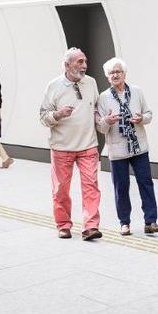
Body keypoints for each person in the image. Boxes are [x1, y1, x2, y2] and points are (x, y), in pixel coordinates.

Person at [39, 48, 102, 240]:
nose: (84, 66)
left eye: (85, 62)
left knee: (91, 186)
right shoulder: (53, 86)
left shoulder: (91, 83)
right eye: (80, 62)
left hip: (88, 146)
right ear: (67, 65)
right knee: (60, 190)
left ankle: (91, 227)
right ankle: (63, 225)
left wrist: (105, 120)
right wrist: (57, 115)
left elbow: (96, 110)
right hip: (61, 148)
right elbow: (43, 116)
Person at [95, 58, 158, 236]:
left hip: (138, 146)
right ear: (108, 77)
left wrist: (142, 119)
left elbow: (149, 114)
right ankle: (124, 223)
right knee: (121, 187)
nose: (115, 75)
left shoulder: (137, 92)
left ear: (125, 74)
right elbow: (101, 128)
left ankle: (151, 221)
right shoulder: (103, 97)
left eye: (118, 71)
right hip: (117, 150)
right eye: (111, 73)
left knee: (146, 183)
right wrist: (106, 121)